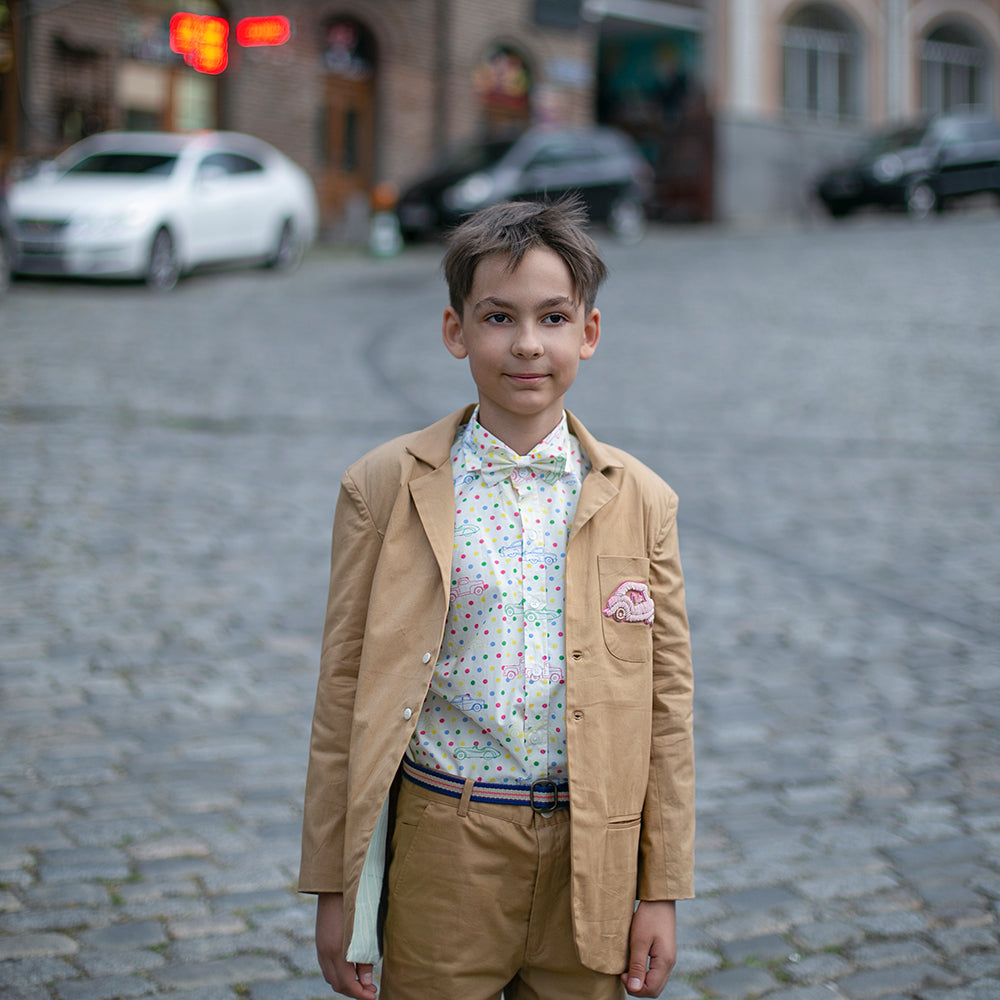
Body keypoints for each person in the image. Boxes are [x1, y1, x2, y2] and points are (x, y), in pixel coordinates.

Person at [299, 197, 694, 1000]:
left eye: (552, 318)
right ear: (456, 331)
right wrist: (334, 888)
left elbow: (666, 708)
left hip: (594, 855)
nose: (526, 345)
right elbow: (342, 694)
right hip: (446, 844)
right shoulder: (383, 488)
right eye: (497, 317)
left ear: (587, 332)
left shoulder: (643, 501)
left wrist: (661, 889)